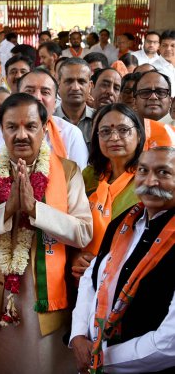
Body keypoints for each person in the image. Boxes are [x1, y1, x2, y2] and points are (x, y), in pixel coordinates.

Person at [0, 92, 93, 374]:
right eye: (12, 127)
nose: (21, 135)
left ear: (45, 128)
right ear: (0, 130)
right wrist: (6, 210)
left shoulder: (67, 171)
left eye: (30, 126)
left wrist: (34, 209)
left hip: (48, 300)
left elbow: (83, 231)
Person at [70, 140, 175, 374]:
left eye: (163, 172)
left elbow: (171, 342)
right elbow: (92, 275)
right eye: (143, 171)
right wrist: (78, 334)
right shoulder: (125, 221)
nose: (149, 181)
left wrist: (100, 359)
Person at [0, 68, 89, 171]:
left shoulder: (71, 134)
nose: (37, 98)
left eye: (45, 92)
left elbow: (79, 180)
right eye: (29, 91)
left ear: (55, 102)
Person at [78, 103, 145, 264]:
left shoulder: (148, 179)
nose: (114, 138)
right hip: (81, 271)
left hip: (124, 271)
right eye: (105, 131)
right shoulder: (89, 176)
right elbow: (72, 222)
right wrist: (75, 257)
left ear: (139, 135)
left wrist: (101, 265)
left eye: (123, 130)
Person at [55, 57, 94, 151]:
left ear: (90, 86)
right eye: (69, 81)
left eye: (81, 81)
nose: (76, 87)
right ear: (58, 85)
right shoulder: (48, 121)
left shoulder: (99, 120)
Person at [153, 30, 175, 96]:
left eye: (173, 45)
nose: (168, 49)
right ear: (159, 47)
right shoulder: (154, 68)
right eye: (164, 45)